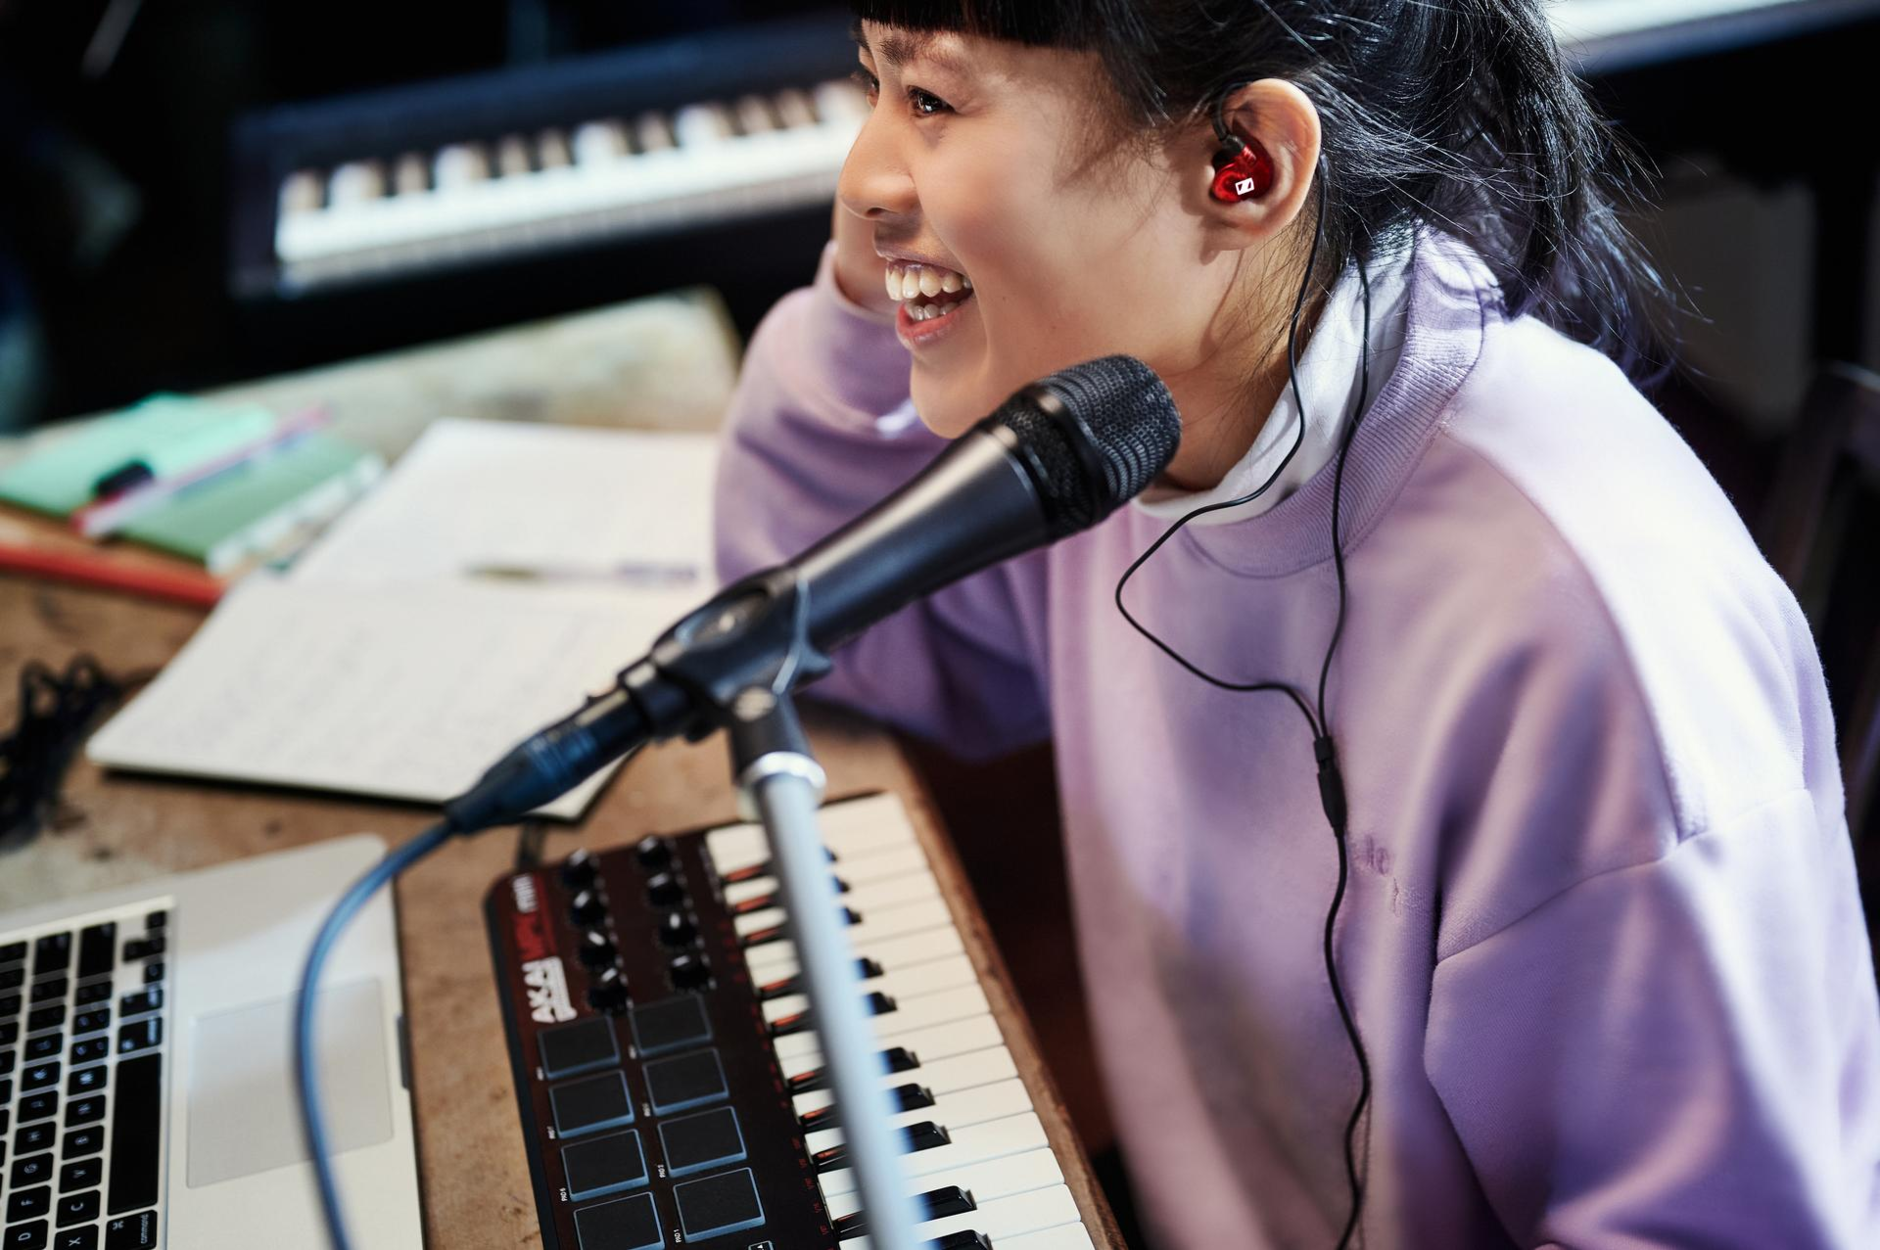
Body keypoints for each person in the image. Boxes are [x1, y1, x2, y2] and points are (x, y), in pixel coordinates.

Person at [712, 2, 1880, 1246]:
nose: (861, 173)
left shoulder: (1590, 638)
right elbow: (823, 627)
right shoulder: (1115, 410)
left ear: (1243, 166)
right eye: (870, 84)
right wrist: (883, 276)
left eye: (934, 101)